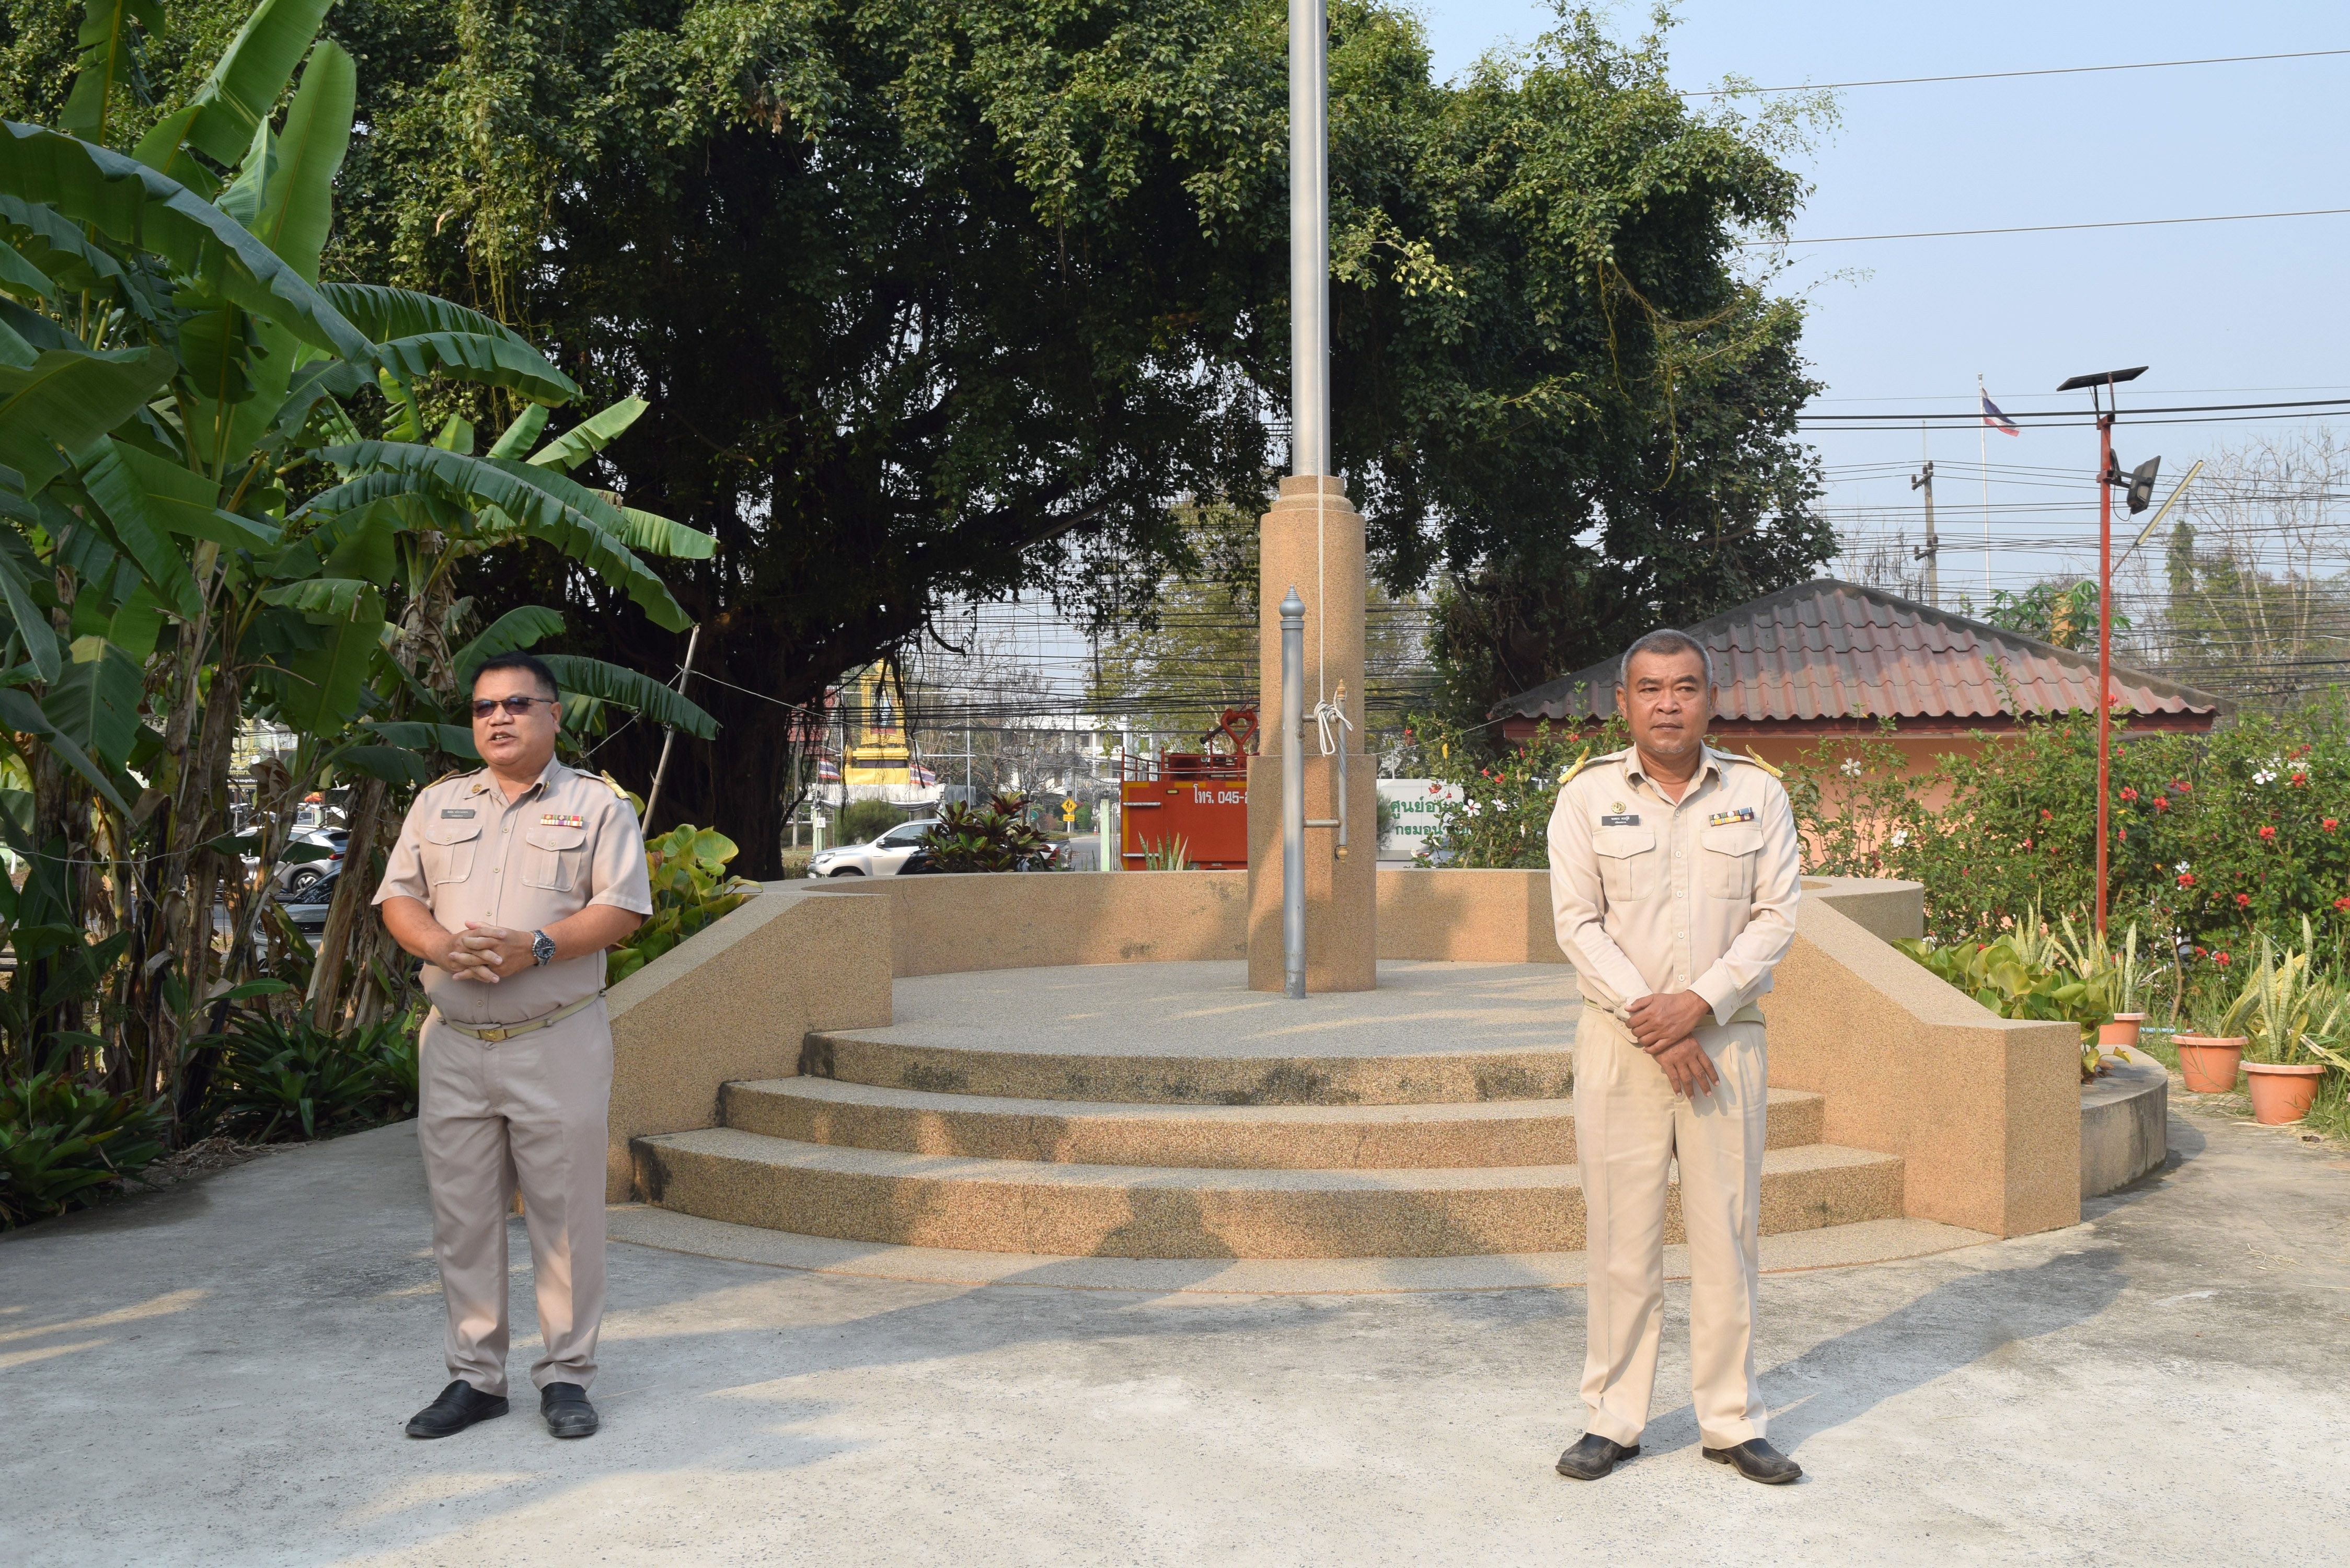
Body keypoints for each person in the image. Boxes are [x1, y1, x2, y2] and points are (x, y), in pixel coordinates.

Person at [1546, 628, 1804, 1486]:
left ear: (1710, 699)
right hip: (1620, 1045)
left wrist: (1698, 1005)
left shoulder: (1759, 794)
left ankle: (1730, 1421)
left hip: (1726, 1042)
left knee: (1727, 1237)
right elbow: (1577, 923)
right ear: (1623, 703)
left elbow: (1777, 917)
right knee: (1621, 1240)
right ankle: (1613, 1418)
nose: (1668, 704)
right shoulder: (1586, 797)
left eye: (1685, 688)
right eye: (1650, 689)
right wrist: (1657, 1021)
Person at [375, 651, 652, 1440]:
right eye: (483, 707)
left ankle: (567, 1376)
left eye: (516, 704)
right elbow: (398, 898)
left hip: (554, 1040)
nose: (497, 718)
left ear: (553, 716)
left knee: (564, 1220)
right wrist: (439, 946)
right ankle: (476, 1379)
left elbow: (624, 908)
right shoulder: (437, 804)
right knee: (461, 1219)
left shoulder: (597, 806)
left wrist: (537, 946)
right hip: (454, 1044)